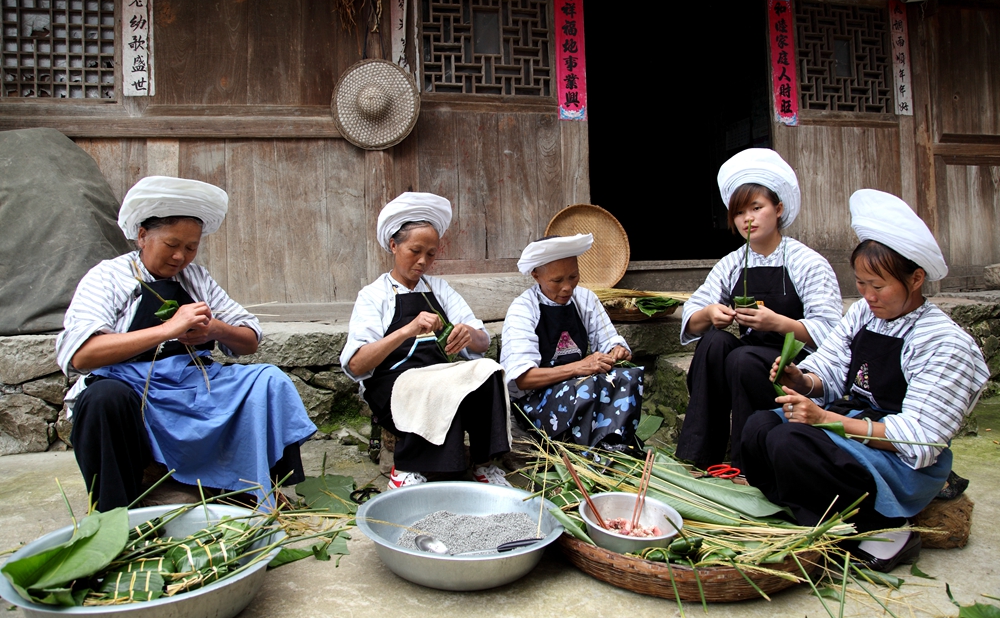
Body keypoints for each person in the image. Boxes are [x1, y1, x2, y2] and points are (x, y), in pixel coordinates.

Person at [744, 189, 988, 571]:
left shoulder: (943, 342)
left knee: (790, 442)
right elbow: (831, 367)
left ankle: (885, 531)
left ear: (916, 278)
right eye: (861, 284)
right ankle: (808, 516)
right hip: (853, 424)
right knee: (759, 426)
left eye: (879, 286)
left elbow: (918, 440)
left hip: (899, 461)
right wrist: (801, 378)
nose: (868, 295)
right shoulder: (863, 314)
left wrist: (824, 419)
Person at [56, 176, 317, 512]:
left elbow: (250, 337)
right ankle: (116, 512)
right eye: (171, 244)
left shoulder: (196, 279)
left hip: (191, 382)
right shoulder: (108, 277)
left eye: (191, 247)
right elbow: (82, 354)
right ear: (142, 236)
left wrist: (215, 331)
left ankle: (260, 489)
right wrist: (167, 330)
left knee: (268, 380)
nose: (181, 256)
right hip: (132, 386)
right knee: (103, 399)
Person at [676, 148, 842, 469]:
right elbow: (692, 317)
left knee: (740, 358)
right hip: (748, 360)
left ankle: (746, 464)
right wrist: (710, 314)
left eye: (757, 207)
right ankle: (696, 457)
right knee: (714, 342)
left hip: (795, 367)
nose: (747, 219)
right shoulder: (733, 263)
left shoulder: (807, 262)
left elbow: (830, 332)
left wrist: (777, 322)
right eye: (739, 212)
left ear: (778, 209)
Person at [340, 192, 511, 490]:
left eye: (431, 254)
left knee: (488, 371)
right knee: (433, 383)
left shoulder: (440, 289)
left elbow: (483, 343)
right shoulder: (374, 295)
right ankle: (407, 469)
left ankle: (485, 463)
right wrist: (406, 330)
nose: (423, 261)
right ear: (393, 245)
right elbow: (356, 364)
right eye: (415, 251)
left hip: (440, 377)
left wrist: (468, 335)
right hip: (392, 386)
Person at [500, 234, 642, 450]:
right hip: (536, 401)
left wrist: (616, 351)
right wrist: (579, 367)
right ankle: (591, 449)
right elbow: (523, 379)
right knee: (588, 388)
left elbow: (610, 341)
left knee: (628, 377)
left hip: (580, 386)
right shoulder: (523, 309)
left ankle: (613, 444)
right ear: (536, 275)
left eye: (573, 277)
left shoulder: (586, 299)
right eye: (557, 281)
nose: (567, 287)